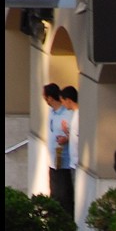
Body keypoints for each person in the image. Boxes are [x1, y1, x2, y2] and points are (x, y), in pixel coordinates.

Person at [43, 83, 73, 216]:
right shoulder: (51, 112)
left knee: (64, 195)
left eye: (45, 96)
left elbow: (75, 133)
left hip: (64, 163)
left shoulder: (68, 114)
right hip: (53, 162)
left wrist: (67, 138)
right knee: (54, 195)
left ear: (49, 98)